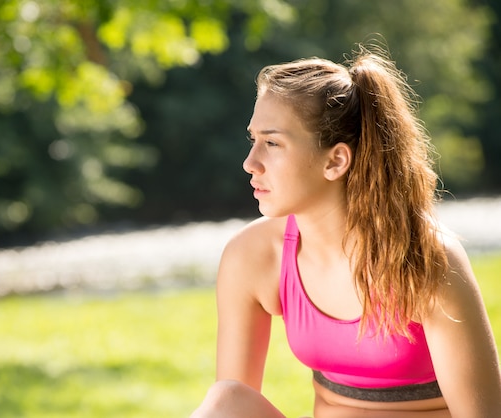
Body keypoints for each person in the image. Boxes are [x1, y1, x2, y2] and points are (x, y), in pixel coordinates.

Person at [190, 44, 501, 418]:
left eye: (272, 143)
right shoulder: (253, 256)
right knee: (227, 402)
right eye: (252, 140)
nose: (250, 163)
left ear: (336, 160)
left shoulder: (425, 258)